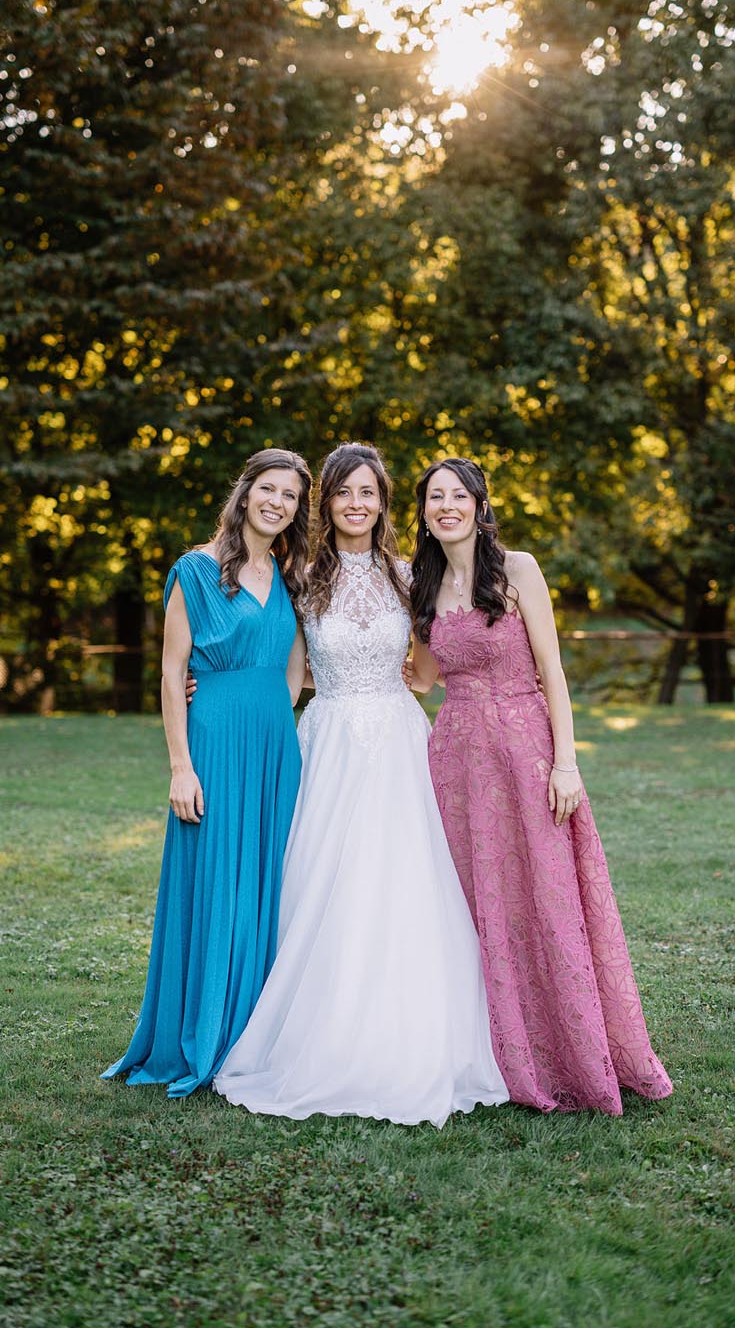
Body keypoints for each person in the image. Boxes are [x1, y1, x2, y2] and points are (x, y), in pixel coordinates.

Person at [211, 443, 508, 1125]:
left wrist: (413, 684)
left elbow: (429, 668)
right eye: (343, 491)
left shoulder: (409, 576)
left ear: (383, 502)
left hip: (399, 744)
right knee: (320, 882)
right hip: (328, 743)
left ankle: (408, 1035)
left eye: (368, 492)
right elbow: (287, 670)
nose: (355, 503)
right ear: (328, 502)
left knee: (404, 886)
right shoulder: (302, 575)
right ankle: (320, 1032)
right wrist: (228, 692)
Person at [408, 456, 672, 1115]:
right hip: (458, 763)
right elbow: (417, 678)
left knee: (545, 898)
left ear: (478, 503)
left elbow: (553, 671)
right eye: (434, 497)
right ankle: (500, 1055)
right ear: (423, 512)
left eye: (456, 495)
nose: (446, 506)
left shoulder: (517, 569)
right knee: (481, 904)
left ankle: (576, 1053)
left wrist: (566, 762)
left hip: (526, 752)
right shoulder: (424, 583)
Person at [102, 449, 311, 1097]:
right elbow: (171, 670)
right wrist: (181, 766)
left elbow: (297, 665)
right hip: (214, 740)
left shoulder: (287, 573)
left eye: (291, 496)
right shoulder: (195, 569)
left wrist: (280, 708)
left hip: (275, 742)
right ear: (245, 493)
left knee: (268, 883)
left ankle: (255, 1031)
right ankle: (201, 1032)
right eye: (268, 489)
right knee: (217, 879)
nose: (278, 502)